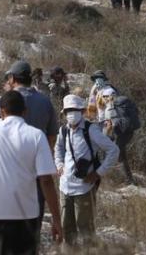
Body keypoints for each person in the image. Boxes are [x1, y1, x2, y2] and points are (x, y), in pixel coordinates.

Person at [0, 91, 62, 254]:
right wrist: (56, 219)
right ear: (25, 111)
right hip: (27, 214)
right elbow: (46, 180)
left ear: (1, 111)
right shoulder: (36, 136)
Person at [55, 95, 119, 246]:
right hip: (65, 187)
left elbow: (113, 150)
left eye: (74, 110)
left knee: (86, 230)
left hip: (83, 188)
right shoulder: (63, 130)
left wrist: (98, 173)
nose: (71, 113)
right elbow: (58, 148)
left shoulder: (91, 130)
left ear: (82, 111)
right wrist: (59, 164)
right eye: (68, 111)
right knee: (67, 229)